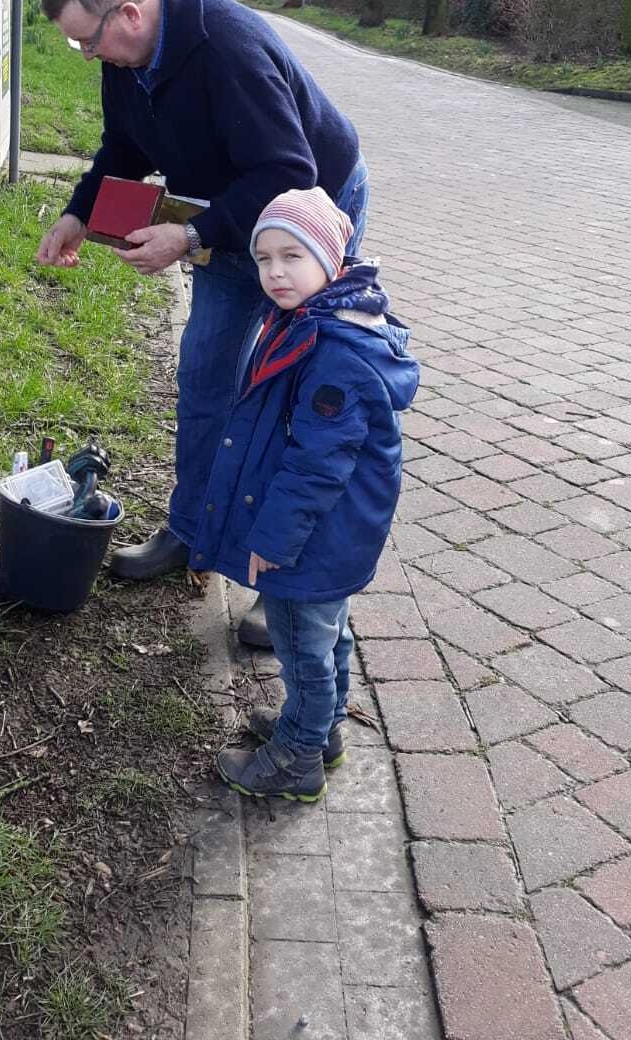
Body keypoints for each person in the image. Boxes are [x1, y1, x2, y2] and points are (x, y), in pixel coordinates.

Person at [36, 0, 369, 644]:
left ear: (129, 11)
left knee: (295, 399)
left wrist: (186, 240)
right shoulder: (129, 58)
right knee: (205, 377)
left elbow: (289, 169)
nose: (87, 56)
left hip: (308, 217)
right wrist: (79, 211)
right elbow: (123, 149)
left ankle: (280, 580)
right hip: (229, 211)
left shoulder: (226, 46)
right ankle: (192, 533)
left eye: (87, 40)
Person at [204, 187, 420, 802]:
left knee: (302, 648)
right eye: (264, 257)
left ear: (331, 260)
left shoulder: (334, 354)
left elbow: (317, 466)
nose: (275, 272)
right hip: (327, 531)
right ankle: (321, 731)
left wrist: (271, 541)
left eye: (291, 256)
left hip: (309, 536)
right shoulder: (309, 321)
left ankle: (296, 759)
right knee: (326, 635)